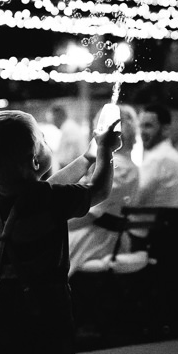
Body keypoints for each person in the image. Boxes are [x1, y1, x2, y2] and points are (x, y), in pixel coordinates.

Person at [0, 109, 120, 354]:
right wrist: (104, 152)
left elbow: (51, 186)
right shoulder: (47, 198)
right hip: (44, 310)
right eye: (42, 141)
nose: (47, 142)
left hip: (4, 309)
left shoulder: (2, 197)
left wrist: (87, 158)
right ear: (35, 161)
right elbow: (99, 190)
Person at [68, 104, 140, 277]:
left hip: (97, 240)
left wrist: (56, 224)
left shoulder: (117, 167)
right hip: (109, 237)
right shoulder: (127, 166)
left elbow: (91, 213)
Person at [135, 104, 178, 208]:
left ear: (165, 129)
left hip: (145, 223)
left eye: (148, 126)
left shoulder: (157, 158)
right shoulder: (174, 156)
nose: (142, 132)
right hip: (166, 222)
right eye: (140, 126)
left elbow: (135, 198)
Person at [47, 104, 88, 168]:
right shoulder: (70, 126)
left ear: (58, 117)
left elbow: (65, 160)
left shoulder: (68, 129)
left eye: (53, 119)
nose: (53, 123)